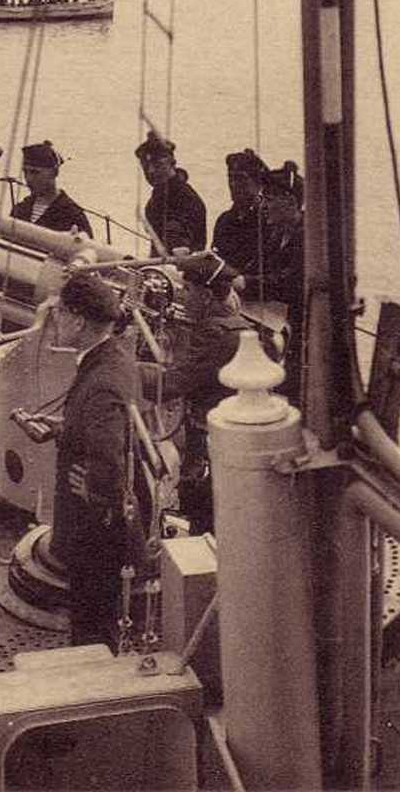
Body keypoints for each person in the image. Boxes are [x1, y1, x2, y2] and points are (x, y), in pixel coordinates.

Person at [50, 273, 147, 650]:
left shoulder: (101, 379)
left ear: (78, 320)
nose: (54, 319)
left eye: (59, 312)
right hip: (104, 525)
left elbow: (107, 455)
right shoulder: (115, 358)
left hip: (93, 532)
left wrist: (94, 487)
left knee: (91, 625)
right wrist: (65, 428)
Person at [139, 251, 250, 532]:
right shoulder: (236, 325)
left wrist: (127, 371)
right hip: (227, 436)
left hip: (208, 439)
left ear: (207, 295)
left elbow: (174, 384)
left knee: (199, 505)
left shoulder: (214, 334)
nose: (183, 297)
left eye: (188, 290)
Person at [233, 161, 304, 406]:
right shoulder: (276, 234)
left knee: (294, 390)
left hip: (298, 326)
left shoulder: (305, 237)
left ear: (291, 202)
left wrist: (247, 283)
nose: (266, 205)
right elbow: (259, 267)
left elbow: (290, 282)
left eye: (271, 199)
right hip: (273, 321)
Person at [135, 131, 207, 256]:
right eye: (145, 166)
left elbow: (177, 236)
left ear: (172, 163)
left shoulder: (184, 196)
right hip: (160, 268)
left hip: (183, 269)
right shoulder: (155, 199)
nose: (150, 171)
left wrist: (177, 245)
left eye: (157, 165)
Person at [11, 141, 93, 237]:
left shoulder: (72, 215)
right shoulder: (20, 210)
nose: (28, 178)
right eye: (25, 172)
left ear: (54, 172)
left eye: (35, 172)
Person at [212, 148, 270, 273]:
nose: (233, 184)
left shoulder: (269, 220)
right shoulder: (224, 221)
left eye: (240, 178)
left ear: (258, 183)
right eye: (230, 178)